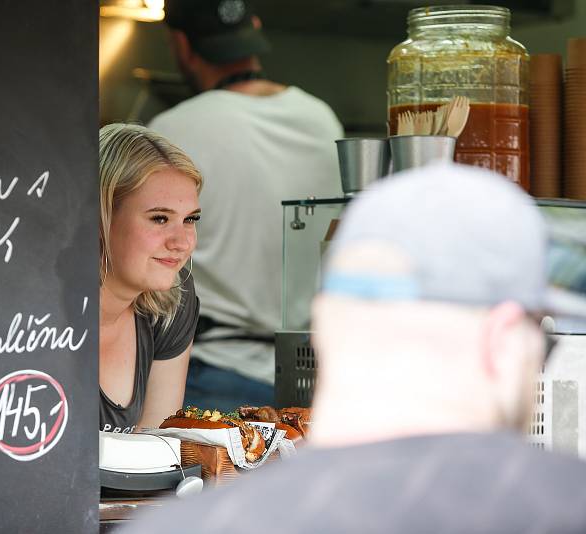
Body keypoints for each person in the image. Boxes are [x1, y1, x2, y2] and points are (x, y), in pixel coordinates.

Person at [121, 164, 586, 533]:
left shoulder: (183, 527)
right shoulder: (567, 507)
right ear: (501, 342)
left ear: (323, 328)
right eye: (541, 345)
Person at [149, 0, 345, 411]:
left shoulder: (171, 132)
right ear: (254, 28)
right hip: (309, 377)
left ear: (182, 45)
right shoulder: (321, 119)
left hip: (213, 372)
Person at [99, 123, 203, 433]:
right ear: (101, 216)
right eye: (160, 218)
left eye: (190, 220)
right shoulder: (42, 311)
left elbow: (156, 450)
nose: (182, 243)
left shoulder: (175, 298)